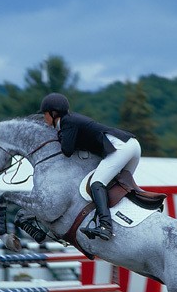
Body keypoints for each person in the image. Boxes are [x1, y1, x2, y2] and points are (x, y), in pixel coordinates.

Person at [40, 92, 142, 241]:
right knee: (118, 187)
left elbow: (67, 151)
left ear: (54, 113)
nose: (44, 118)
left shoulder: (67, 122)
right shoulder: (71, 120)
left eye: (45, 114)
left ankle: (106, 227)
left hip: (121, 147)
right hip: (132, 145)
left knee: (96, 183)